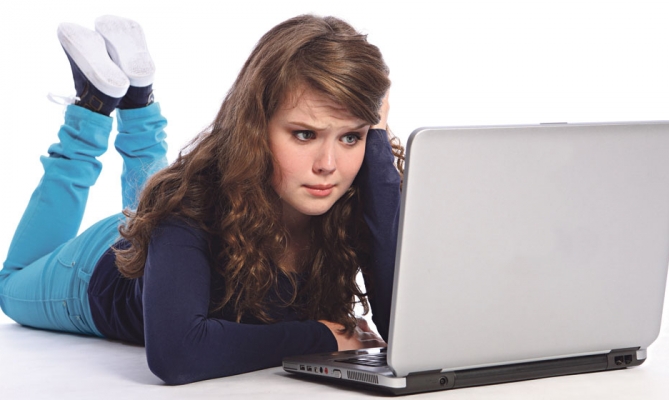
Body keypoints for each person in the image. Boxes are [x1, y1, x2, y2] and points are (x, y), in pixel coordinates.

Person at [0, 14, 403, 385]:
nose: (328, 165)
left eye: (351, 136)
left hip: (162, 241)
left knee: (156, 198)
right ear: (255, 126)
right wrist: (318, 337)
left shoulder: (351, 194)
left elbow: (402, 333)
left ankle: (137, 99)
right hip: (90, 270)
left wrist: (379, 160)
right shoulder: (189, 206)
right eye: (304, 134)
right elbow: (177, 354)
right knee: (9, 285)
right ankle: (93, 108)